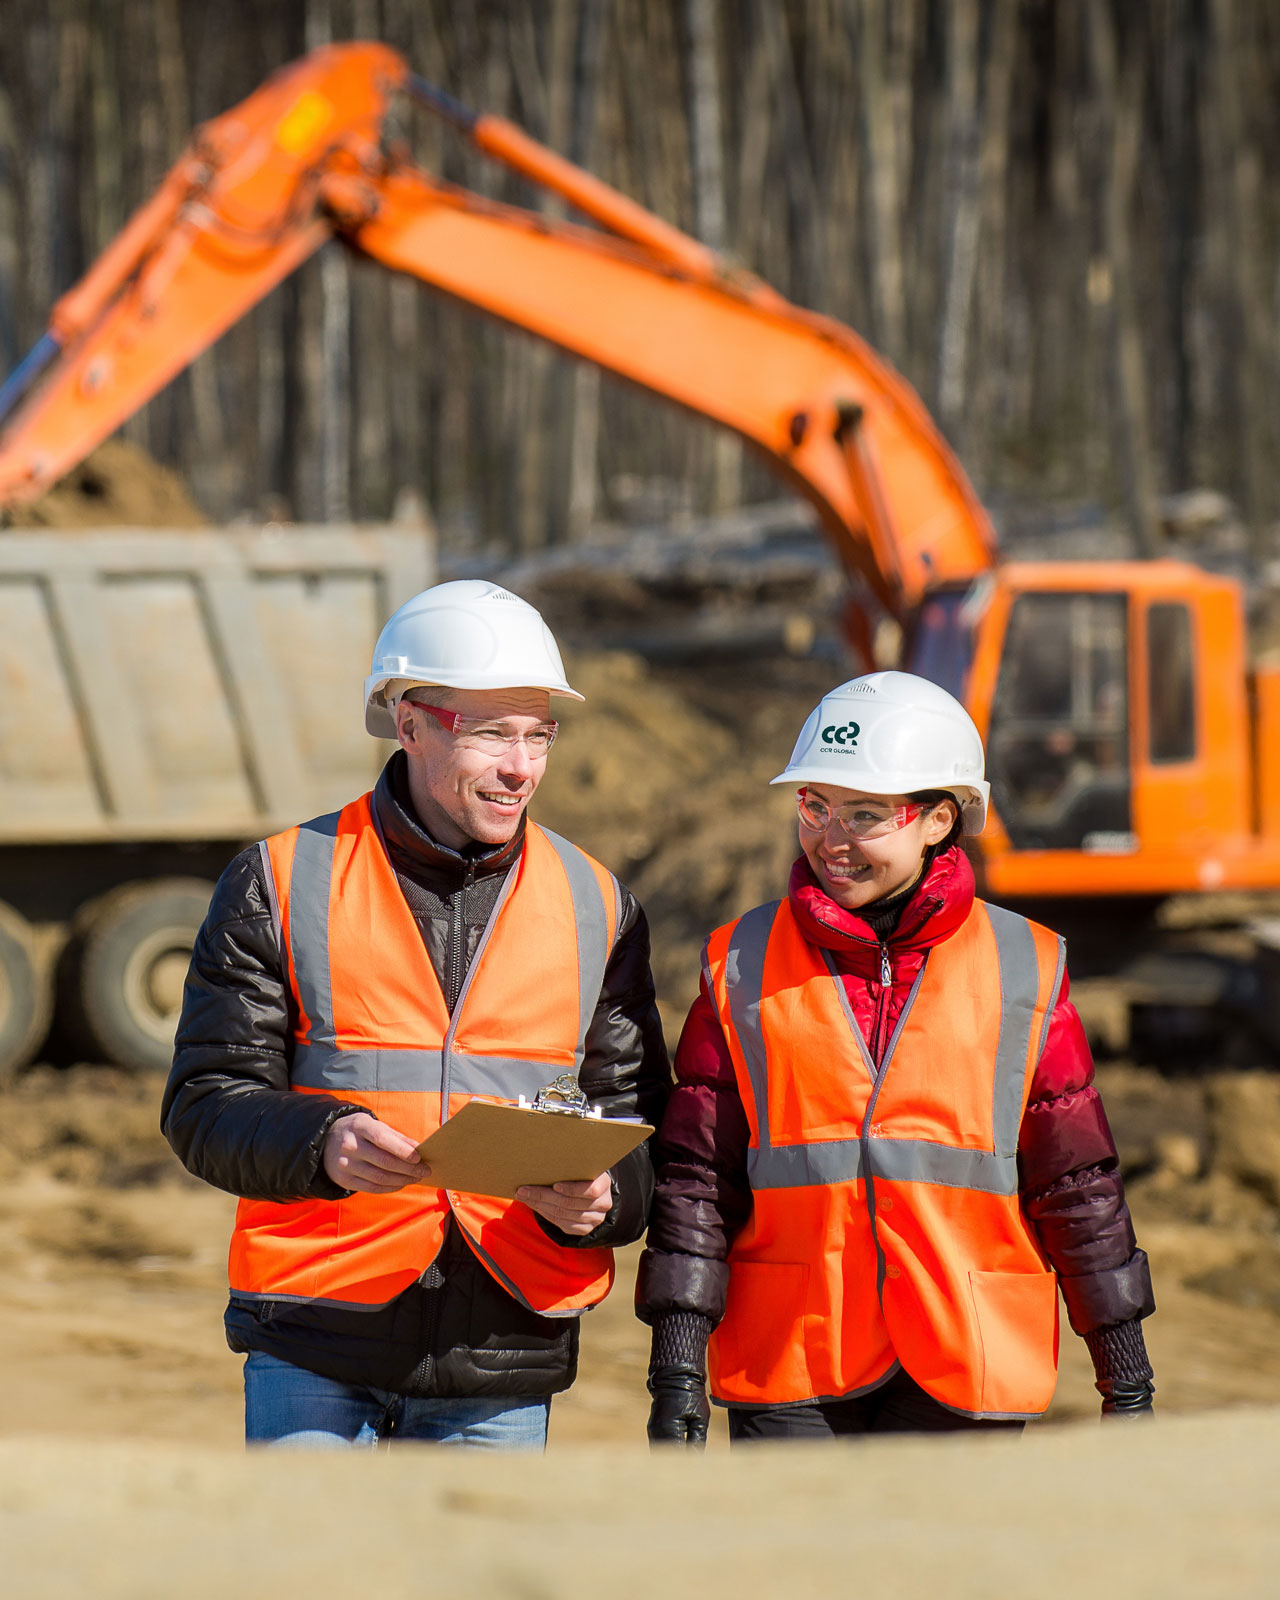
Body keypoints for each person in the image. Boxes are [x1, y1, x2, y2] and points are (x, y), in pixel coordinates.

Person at [163, 579, 669, 1450]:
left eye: (538, 735)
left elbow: (638, 1127)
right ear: (410, 725)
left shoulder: (598, 903)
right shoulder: (279, 881)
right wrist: (320, 1144)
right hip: (316, 1336)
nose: (522, 767)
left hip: (503, 1352)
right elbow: (205, 1104)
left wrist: (607, 1198)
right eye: (493, 734)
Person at [636, 671, 1155, 1445]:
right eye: (815, 805)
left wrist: (1126, 1375)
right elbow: (697, 1184)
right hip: (793, 1364)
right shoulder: (739, 961)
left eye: (866, 814)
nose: (830, 838)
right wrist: (676, 1369)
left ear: (939, 819)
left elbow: (1074, 1184)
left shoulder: (1024, 966)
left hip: (965, 1360)